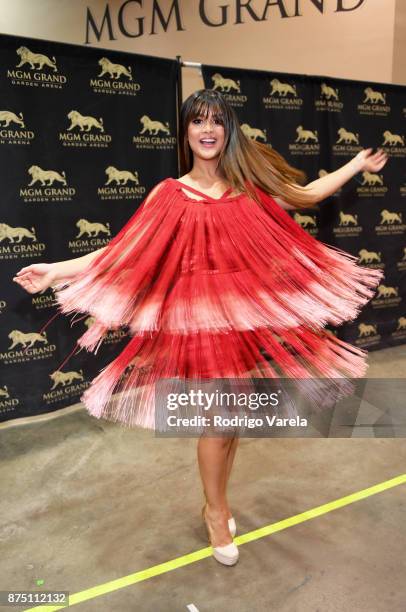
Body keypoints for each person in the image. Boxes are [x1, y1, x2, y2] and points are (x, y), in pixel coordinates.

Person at [13, 88, 388, 566]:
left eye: (216, 121)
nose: (207, 130)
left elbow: (307, 194)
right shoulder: (169, 193)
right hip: (197, 327)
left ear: (228, 130)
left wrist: (357, 163)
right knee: (217, 420)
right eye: (197, 121)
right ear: (186, 132)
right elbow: (123, 251)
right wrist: (57, 271)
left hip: (242, 322)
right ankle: (216, 511)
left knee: (229, 424)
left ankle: (217, 499)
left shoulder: (248, 191)